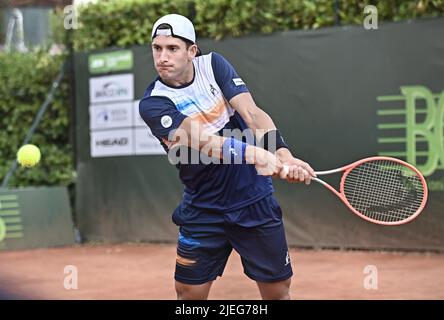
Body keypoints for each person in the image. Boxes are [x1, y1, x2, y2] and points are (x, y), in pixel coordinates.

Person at [139, 14, 316, 300]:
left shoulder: (213, 66)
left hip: (253, 200)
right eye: (157, 48)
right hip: (203, 207)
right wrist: (258, 155)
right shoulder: (153, 103)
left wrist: (283, 153)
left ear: (191, 51)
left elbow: (252, 114)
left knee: (277, 292)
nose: (163, 57)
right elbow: (203, 142)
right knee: (188, 294)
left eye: (172, 48)